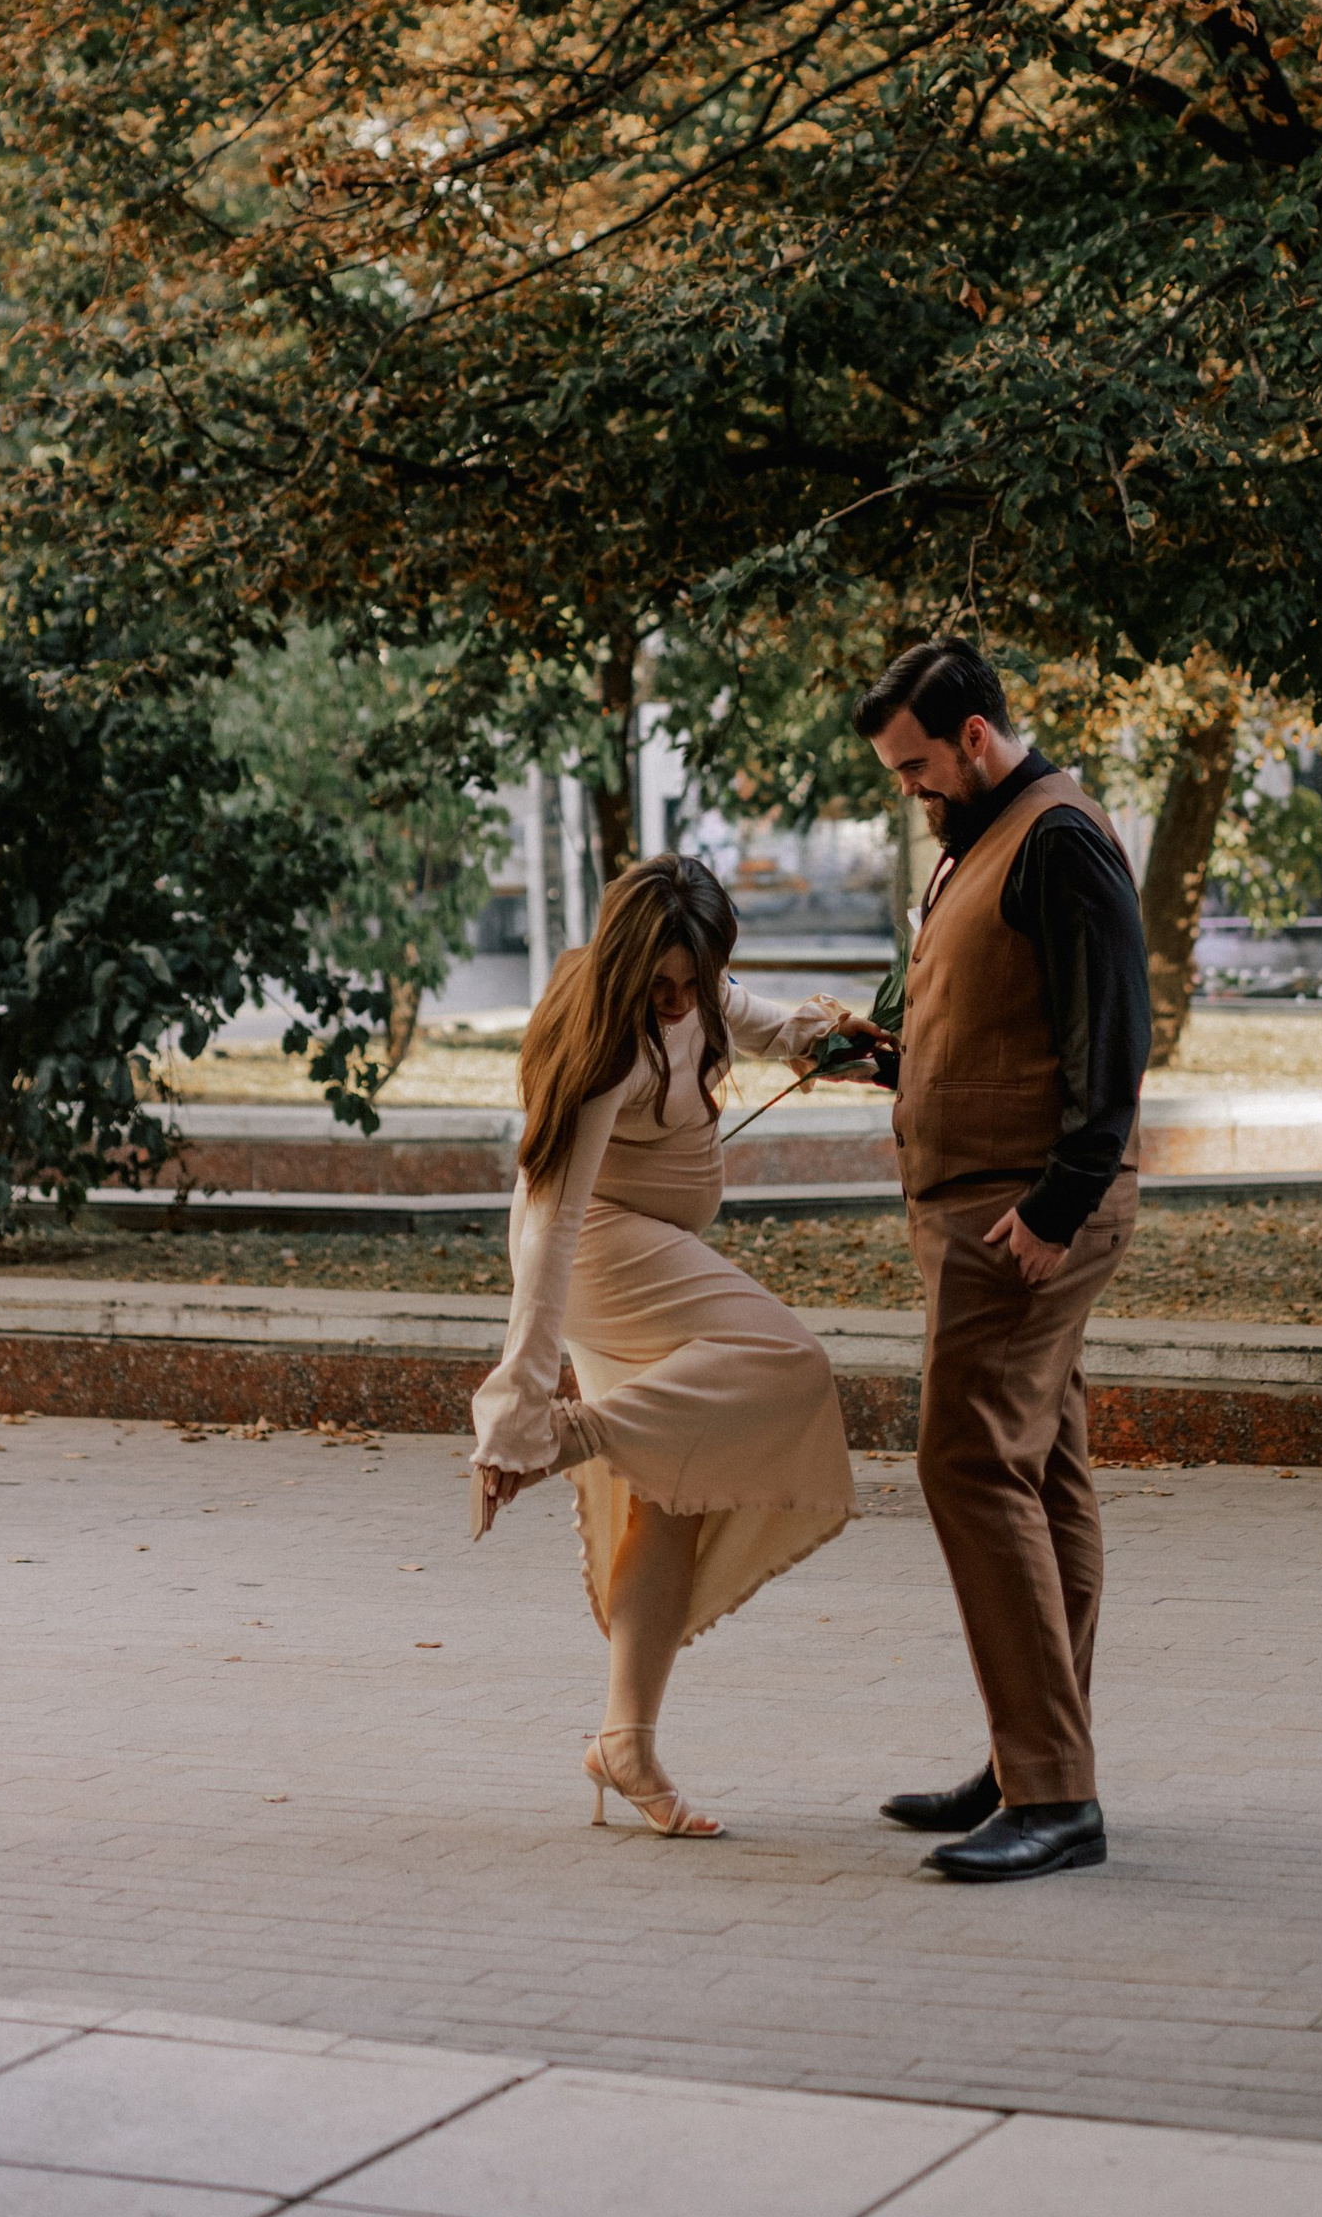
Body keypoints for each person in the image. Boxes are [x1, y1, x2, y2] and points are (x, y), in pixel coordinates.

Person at [471, 852, 858, 1837]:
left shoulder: (697, 990)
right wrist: (521, 1403)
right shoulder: (603, 1041)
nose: (682, 1003)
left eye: (697, 980)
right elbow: (550, 1224)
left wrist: (827, 1040)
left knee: (674, 1492)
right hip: (603, 1251)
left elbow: (755, 1018)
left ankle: (624, 1742)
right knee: (791, 1362)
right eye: (663, 987)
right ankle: (570, 1436)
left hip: (649, 1247)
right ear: (625, 969)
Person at [857, 639, 1151, 1882]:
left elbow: (1113, 1036)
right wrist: (886, 1057)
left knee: (968, 1462)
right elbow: (999, 1021)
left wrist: (1056, 1207)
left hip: (1018, 1218)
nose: (910, 790)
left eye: (917, 766)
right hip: (986, 1208)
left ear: (974, 736)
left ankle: (1052, 1794)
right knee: (1043, 1472)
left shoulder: (1057, 837)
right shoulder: (979, 839)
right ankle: (1030, 1755)